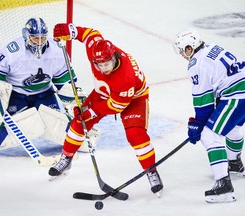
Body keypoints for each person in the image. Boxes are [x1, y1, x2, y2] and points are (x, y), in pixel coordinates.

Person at [48, 23, 164, 197]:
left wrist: (92, 111)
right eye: (98, 65)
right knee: (79, 121)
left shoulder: (125, 77)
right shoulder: (97, 50)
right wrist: (70, 31)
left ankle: (151, 170)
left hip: (133, 98)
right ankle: (66, 158)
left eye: (107, 64)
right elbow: (89, 34)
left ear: (115, 57)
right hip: (105, 92)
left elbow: (116, 106)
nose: (103, 69)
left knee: (135, 135)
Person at [0, 18, 100, 156]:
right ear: (26, 36)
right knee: (21, 127)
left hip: (44, 94)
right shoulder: (14, 50)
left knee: (56, 124)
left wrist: (74, 104)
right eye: (35, 38)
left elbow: (65, 80)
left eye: (42, 38)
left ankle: (82, 131)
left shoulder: (57, 50)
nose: (39, 42)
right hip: (17, 96)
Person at [173, 28, 245, 203]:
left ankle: (224, 187)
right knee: (232, 127)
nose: (182, 55)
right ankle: (234, 164)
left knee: (209, 134)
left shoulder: (196, 64)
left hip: (238, 94)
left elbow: (204, 103)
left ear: (190, 47)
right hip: (240, 88)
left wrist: (197, 125)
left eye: (183, 50)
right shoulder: (211, 47)